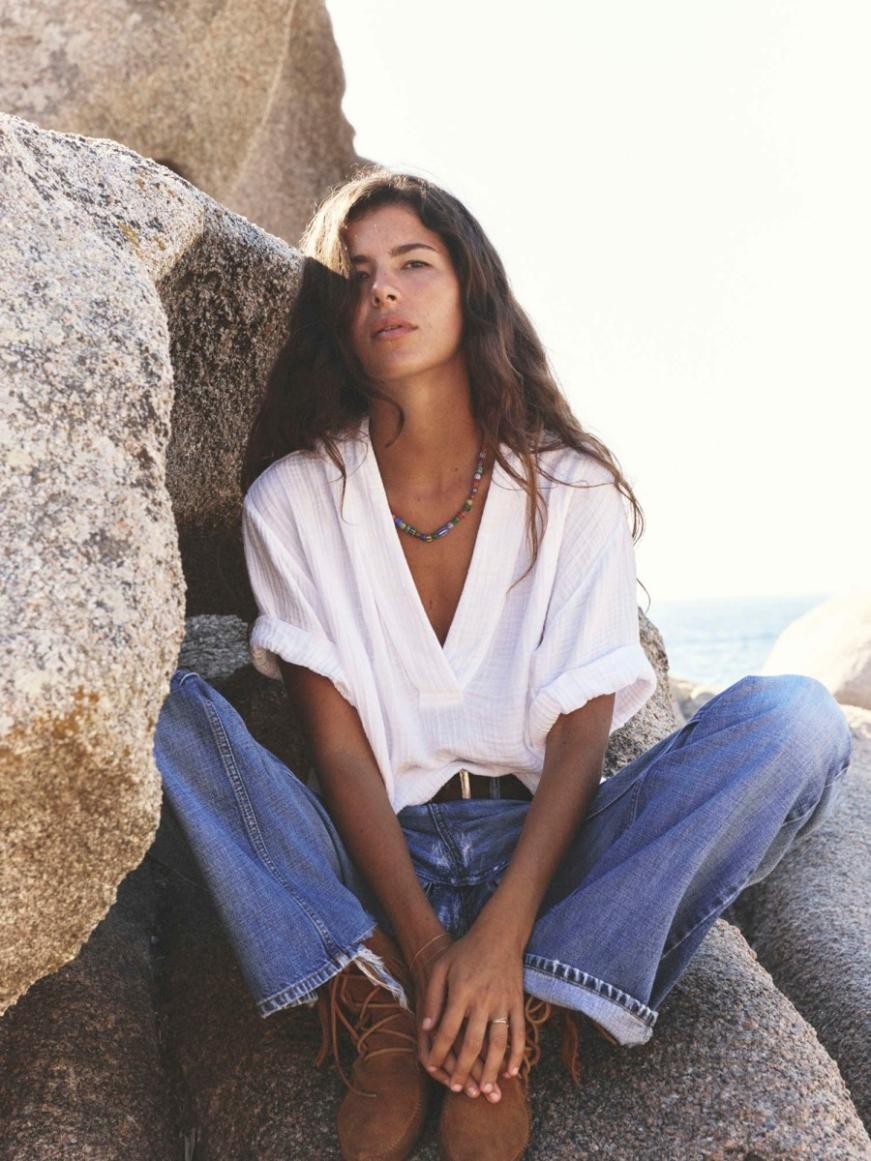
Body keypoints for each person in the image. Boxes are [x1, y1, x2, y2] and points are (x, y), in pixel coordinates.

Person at [153, 169, 852, 1161]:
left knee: (797, 719)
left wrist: (500, 943)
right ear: (333, 313)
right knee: (154, 705)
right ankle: (375, 993)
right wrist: (428, 947)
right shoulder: (293, 500)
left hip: (550, 855)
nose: (383, 290)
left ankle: (528, 1005)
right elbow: (339, 751)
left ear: (470, 287)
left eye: (413, 263)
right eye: (356, 274)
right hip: (367, 860)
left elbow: (578, 738)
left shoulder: (572, 486)